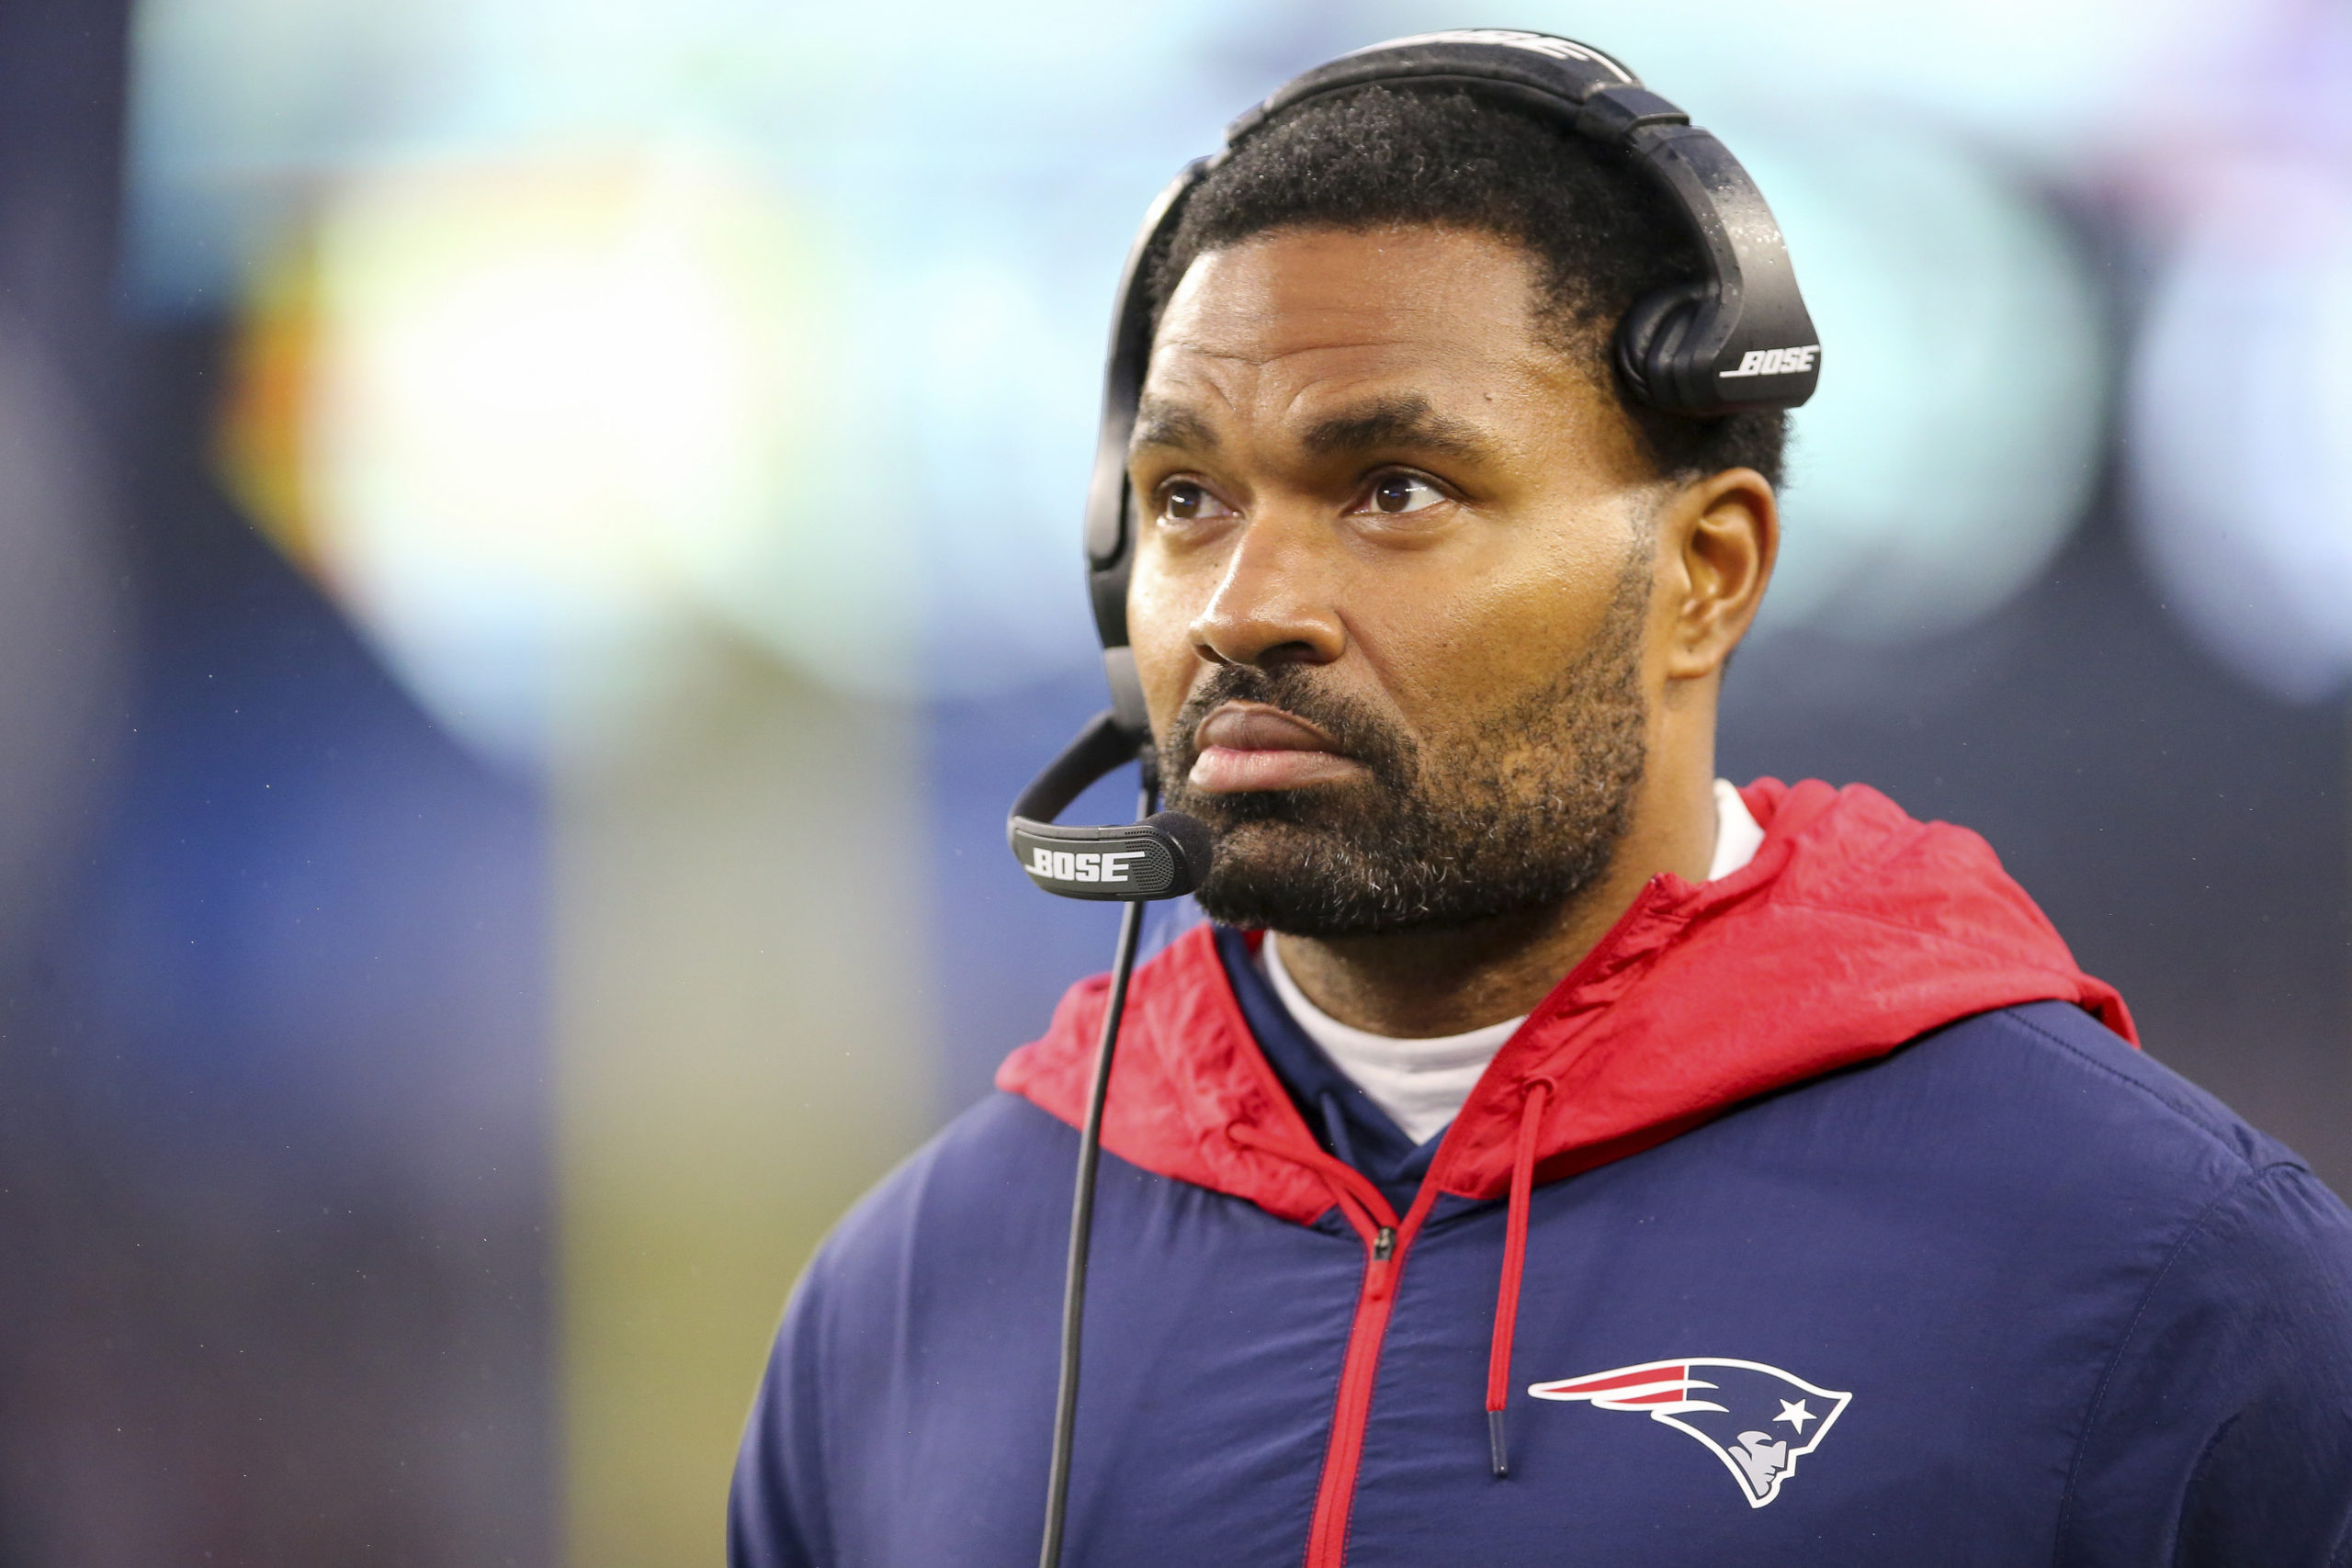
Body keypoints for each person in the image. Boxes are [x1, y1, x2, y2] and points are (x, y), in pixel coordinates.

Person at [729, 41, 2352, 1568]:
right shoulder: (913, 1297)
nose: (1242, 603)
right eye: (1185, 499)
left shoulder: (2157, 1272)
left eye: (1396, 490)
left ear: (1705, 574)